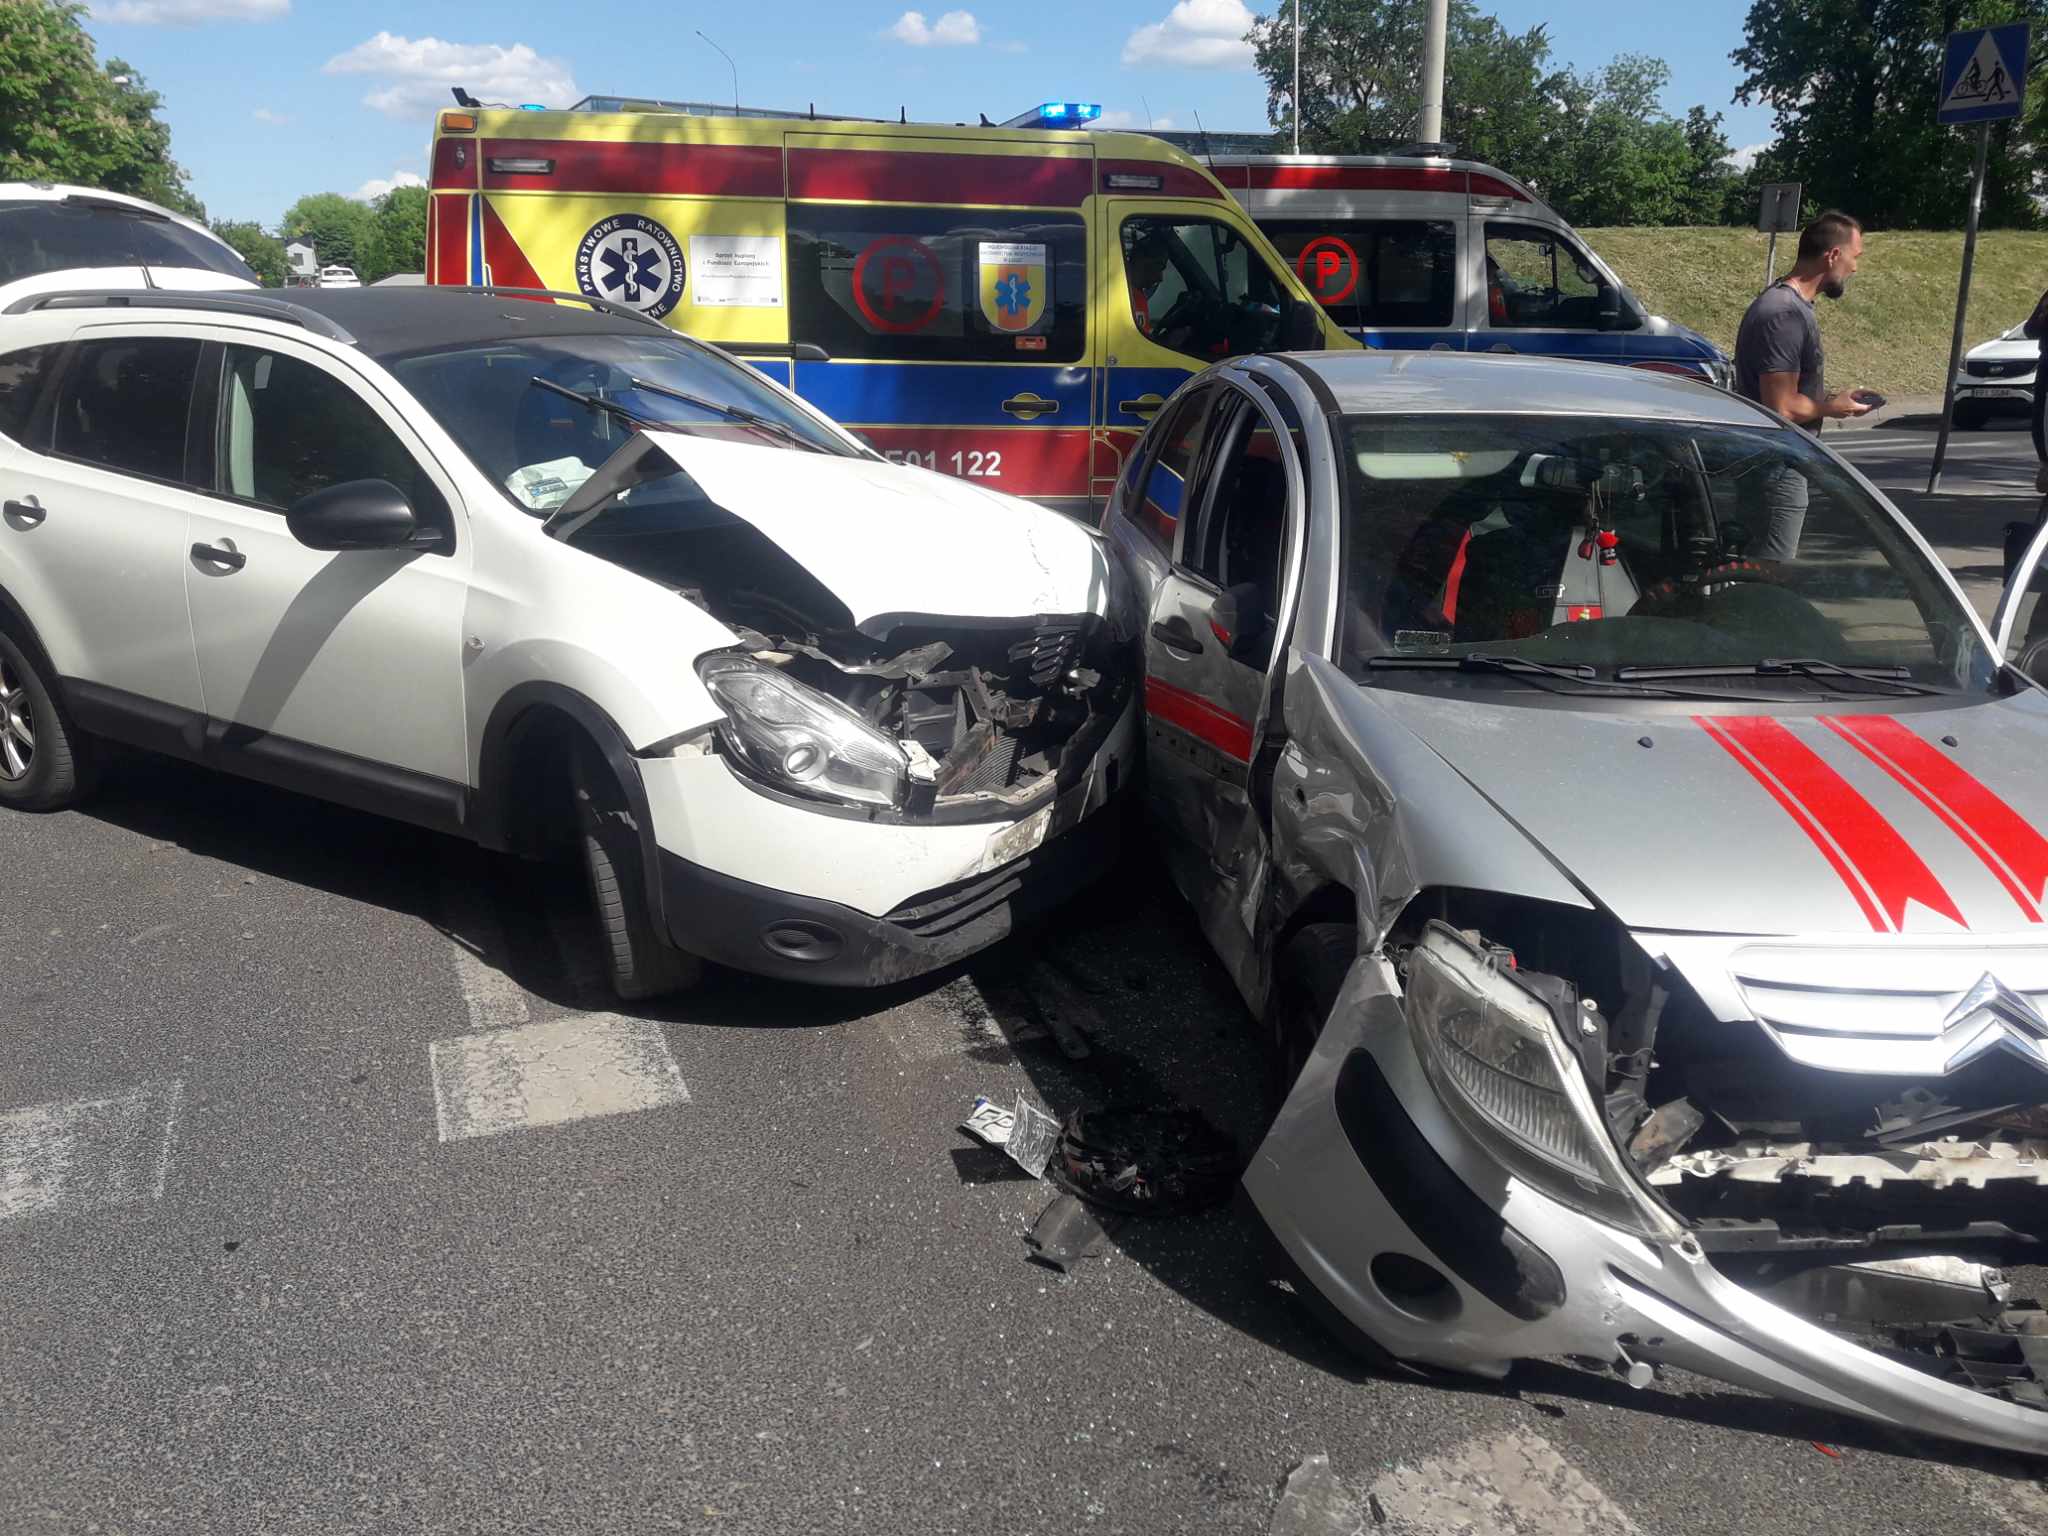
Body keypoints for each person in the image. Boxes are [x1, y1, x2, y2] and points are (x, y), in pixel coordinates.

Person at [1733, 210, 1877, 561]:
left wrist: (1830, 399)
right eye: (1855, 257)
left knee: (1759, 571)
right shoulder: (1784, 314)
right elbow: (1780, 407)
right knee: (1769, 573)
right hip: (1775, 467)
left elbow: (1782, 391)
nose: (1855, 268)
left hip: (1776, 463)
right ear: (1833, 255)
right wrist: (1832, 407)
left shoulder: (1789, 306)